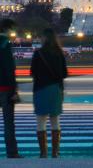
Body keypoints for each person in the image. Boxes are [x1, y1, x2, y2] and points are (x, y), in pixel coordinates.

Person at [30, 28, 68, 158]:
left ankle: (43, 152)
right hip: (55, 89)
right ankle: (55, 152)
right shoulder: (59, 53)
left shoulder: (38, 53)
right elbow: (64, 73)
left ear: (44, 38)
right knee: (55, 120)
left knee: (41, 121)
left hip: (40, 89)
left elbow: (32, 72)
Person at [0, 18, 23, 158]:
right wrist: (14, 89)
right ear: (7, 29)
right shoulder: (5, 45)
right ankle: (12, 151)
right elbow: (9, 68)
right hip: (5, 89)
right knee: (9, 123)